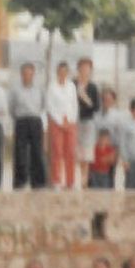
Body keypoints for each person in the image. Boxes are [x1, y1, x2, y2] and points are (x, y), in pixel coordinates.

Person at [11, 64, 47, 190]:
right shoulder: (15, 90)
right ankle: (20, 182)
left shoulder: (39, 89)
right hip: (21, 121)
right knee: (20, 153)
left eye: (30, 73)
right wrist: (18, 118)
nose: (27, 76)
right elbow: (12, 107)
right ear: (21, 75)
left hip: (35, 120)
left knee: (37, 152)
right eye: (25, 73)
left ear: (33, 75)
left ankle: (38, 182)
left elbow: (43, 105)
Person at [46, 59, 80, 189]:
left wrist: (70, 120)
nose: (62, 74)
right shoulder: (52, 86)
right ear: (57, 72)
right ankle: (56, 180)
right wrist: (60, 120)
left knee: (70, 152)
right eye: (60, 72)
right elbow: (50, 106)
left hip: (70, 122)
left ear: (68, 73)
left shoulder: (71, 86)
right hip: (56, 122)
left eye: (65, 72)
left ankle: (70, 181)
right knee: (57, 151)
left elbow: (74, 104)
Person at [73, 55, 101, 184]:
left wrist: (85, 97)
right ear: (78, 69)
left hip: (88, 122)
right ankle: (76, 179)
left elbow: (96, 107)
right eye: (82, 67)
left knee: (87, 154)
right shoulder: (72, 84)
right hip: (74, 121)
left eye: (87, 68)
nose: (85, 70)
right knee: (76, 152)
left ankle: (85, 181)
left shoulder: (93, 87)